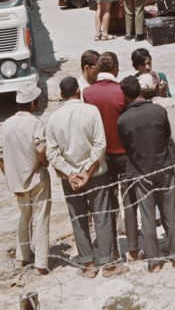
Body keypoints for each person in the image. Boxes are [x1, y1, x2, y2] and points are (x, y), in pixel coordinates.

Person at [45, 77, 121, 277]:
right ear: (78, 91)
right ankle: (108, 264)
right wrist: (86, 171)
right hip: (96, 173)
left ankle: (88, 264)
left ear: (61, 95)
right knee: (102, 216)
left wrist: (71, 173)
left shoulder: (53, 119)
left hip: (71, 179)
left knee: (78, 218)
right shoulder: (91, 111)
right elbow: (100, 145)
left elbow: (52, 154)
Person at [117, 75, 175, 271]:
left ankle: (154, 261)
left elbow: (127, 146)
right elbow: (167, 136)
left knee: (147, 218)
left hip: (141, 171)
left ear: (125, 95)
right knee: (170, 212)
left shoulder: (123, 120)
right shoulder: (158, 111)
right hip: (164, 166)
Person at [0, 81, 51, 275]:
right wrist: (43, 163)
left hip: (17, 180)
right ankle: (41, 263)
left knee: (23, 216)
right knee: (41, 218)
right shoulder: (36, 123)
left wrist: (9, 174)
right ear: (33, 104)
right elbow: (40, 148)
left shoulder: (7, 124)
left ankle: (22, 256)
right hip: (36, 177)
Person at [84, 52, 134, 261]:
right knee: (129, 200)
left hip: (102, 157)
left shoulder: (88, 93)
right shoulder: (121, 92)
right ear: (115, 69)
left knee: (107, 204)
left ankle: (111, 248)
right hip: (123, 153)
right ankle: (133, 246)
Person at [142, 71, 175, 252]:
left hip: (153, 162)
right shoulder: (171, 104)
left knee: (161, 204)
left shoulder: (144, 110)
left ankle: (173, 241)